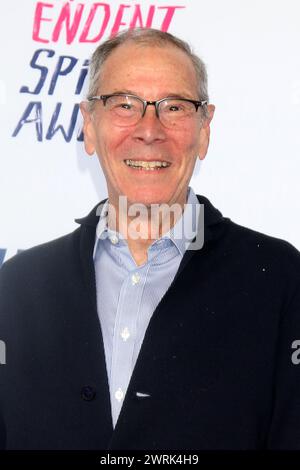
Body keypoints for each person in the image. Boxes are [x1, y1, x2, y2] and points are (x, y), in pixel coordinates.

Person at [0, 27, 300, 451]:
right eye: (124, 105)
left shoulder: (281, 281)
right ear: (88, 125)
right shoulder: (16, 289)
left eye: (174, 107)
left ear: (204, 129)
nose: (149, 130)